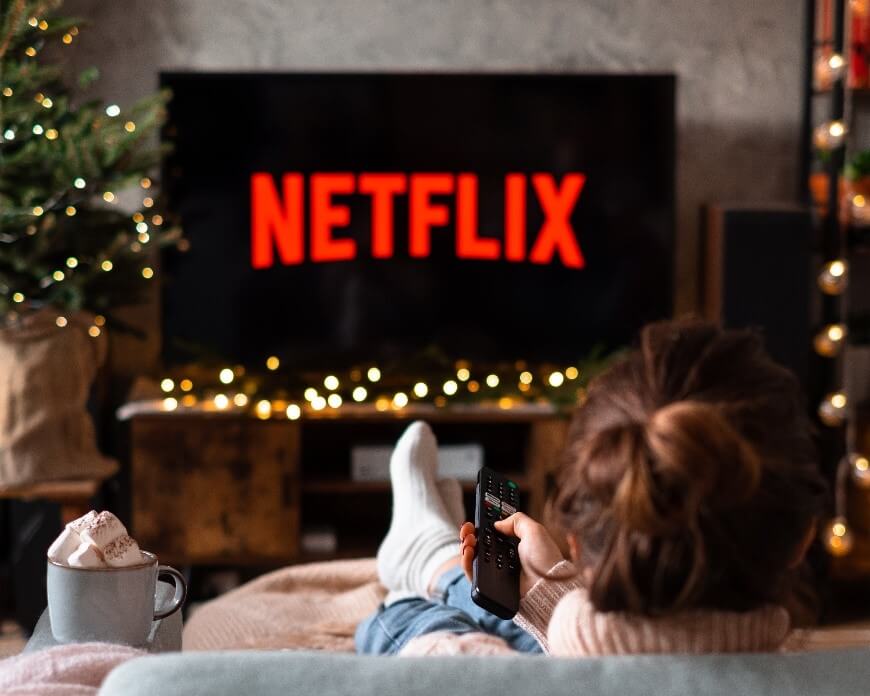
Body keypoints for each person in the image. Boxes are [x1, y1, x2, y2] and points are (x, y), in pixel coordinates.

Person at [355, 319, 827, 657]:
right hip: (592, 644)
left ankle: (427, 558)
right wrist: (542, 590)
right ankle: (433, 560)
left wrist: (469, 660)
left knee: (400, 616)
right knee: (506, 604)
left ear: (577, 545)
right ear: (803, 538)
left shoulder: (491, 677)